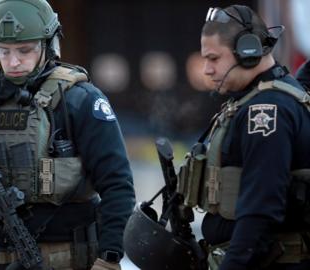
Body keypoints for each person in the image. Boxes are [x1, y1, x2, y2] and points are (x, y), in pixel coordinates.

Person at [0, 0, 135, 269]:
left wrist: (109, 257)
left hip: (65, 256)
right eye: (4, 51)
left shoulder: (79, 101)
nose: (13, 62)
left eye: (24, 50)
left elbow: (117, 186)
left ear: (48, 46)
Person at [124, 4, 310, 270]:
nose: (207, 70)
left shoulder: (267, 112)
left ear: (248, 53)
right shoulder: (252, 100)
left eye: (214, 58)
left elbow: (261, 212)